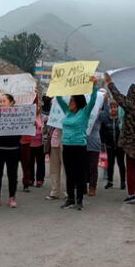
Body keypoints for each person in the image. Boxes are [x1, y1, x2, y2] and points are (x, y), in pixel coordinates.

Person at [105, 70, 135, 204]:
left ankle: (131, 194)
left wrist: (110, 83)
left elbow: (117, 96)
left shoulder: (130, 106)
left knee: (131, 169)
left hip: (130, 143)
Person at [55, 76, 99, 211]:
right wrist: (58, 85)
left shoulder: (84, 112)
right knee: (69, 173)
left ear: (78, 102)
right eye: (70, 100)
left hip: (79, 146)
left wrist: (94, 86)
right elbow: (58, 98)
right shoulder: (67, 112)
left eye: (72, 100)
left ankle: (79, 200)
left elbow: (92, 100)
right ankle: (70, 199)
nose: (70, 102)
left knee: (79, 173)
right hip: (67, 146)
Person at [0, 94, 22, 208]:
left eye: (4, 101)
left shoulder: (19, 115)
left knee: (12, 174)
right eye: (1, 101)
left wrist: (31, 124)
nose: (2, 103)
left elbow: (27, 127)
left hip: (13, 149)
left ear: (12, 102)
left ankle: (12, 198)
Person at [86, 92, 109, 196]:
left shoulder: (98, 114)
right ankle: (82, 186)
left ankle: (92, 186)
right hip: (82, 142)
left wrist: (106, 101)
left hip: (94, 143)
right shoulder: (83, 112)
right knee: (83, 166)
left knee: (93, 167)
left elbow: (106, 116)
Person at [101, 100, 126, 190]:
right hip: (109, 146)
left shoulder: (121, 120)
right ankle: (110, 182)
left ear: (118, 109)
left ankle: (123, 182)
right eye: (111, 107)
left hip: (120, 146)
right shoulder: (105, 120)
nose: (113, 109)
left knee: (121, 164)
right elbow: (102, 133)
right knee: (110, 164)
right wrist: (103, 144)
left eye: (115, 107)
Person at [45, 126, 64, 200]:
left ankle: (67, 192)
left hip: (65, 142)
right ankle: (54, 192)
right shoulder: (54, 114)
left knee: (65, 170)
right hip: (53, 143)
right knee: (54, 169)